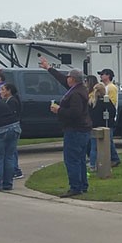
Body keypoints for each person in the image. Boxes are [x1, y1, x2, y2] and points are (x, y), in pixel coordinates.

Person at [39, 58, 92, 197]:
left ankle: (75, 187)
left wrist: (59, 110)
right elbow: (62, 79)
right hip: (82, 129)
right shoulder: (79, 89)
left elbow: (75, 113)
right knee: (79, 158)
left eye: (68, 77)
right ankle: (82, 185)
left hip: (75, 130)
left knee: (72, 159)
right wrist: (49, 68)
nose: (66, 79)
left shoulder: (75, 94)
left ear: (73, 79)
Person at [88, 83, 117, 170]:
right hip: (105, 126)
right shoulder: (106, 101)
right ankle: (105, 164)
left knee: (94, 147)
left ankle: (92, 165)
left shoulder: (91, 102)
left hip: (94, 127)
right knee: (106, 146)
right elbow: (113, 112)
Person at [0, 82, 23, 179]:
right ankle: (12, 169)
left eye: (3, 90)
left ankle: (15, 170)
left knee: (11, 151)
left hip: (11, 128)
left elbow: (11, 116)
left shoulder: (12, 101)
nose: (1, 92)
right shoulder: (7, 100)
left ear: (9, 91)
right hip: (9, 127)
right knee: (10, 150)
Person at [97, 69, 121, 166]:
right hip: (105, 116)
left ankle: (115, 158)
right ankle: (112, 158)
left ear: (108, 76)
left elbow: (113, 101)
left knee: (108, 139)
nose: (101, 76)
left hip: (109, 116)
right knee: (108, 139)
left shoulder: (111, 88)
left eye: (102, 74)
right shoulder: (106, 87)